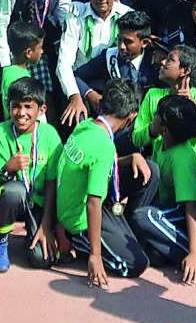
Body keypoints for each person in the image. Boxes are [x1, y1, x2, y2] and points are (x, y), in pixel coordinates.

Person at [53, 79, 154, 284]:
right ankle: (81, 242)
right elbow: (93, 202)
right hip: (79, 218)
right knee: (136, 264)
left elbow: (94, 163)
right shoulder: (104, 145)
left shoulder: (87, 125)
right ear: (131, 117)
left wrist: (129, 158)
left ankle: (125, 230)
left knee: (151, 170)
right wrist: (95, 255)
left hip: (83, 199)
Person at [0, 77, 63, 272]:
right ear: (8, 106)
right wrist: (8, 168)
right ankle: (0, 240)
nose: (21, 113)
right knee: (14, 192)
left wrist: (46, 224)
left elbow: (53, 182)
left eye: (28, 106)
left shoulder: (50, 135)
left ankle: (37, 231)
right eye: (15, 106)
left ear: (41, 110)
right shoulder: (0, 133)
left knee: (42, 260)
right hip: (11, 195)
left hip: (39, 200)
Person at [128, 95, 196, 281]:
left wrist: (194, 252)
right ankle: (178, 252)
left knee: (144, 216)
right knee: (154, 255)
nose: (153, 116)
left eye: (156, 114)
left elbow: (192, 206)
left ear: (164, 130)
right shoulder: (160, 144)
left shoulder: (182, 159)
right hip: (173, 210)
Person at [0, 0, 72, 113]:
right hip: (14, 53)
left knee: (46, 99)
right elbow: (2, 22)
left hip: (40, 52)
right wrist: (7, 63)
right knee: (15, 99)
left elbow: (64, 22)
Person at [57, 0, 133, 126]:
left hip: (115, 84)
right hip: (81, 83)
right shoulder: (76, 17)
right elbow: (64, 63)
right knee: (77, 119)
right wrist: (76, 96)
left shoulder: (127, 15)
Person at [131, 45, 196, 163]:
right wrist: (154, 129)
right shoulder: (153, 95)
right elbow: (136, 138)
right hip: (162, 169)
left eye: (170, 59)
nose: (163, 62)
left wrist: (193, 103)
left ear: (185, 71)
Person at [73, 9, 159, 112]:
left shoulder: (155, 62)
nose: (121, 46)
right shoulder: (109, 56)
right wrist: (90, 94)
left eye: (128, 42)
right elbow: (77, 76)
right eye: (119, 40)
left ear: (144, 43)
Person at [0, 21, 44, 119]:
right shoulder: (20, 79)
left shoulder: (9, 71)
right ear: (28, 53)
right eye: (40, 48)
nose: (42, 51)